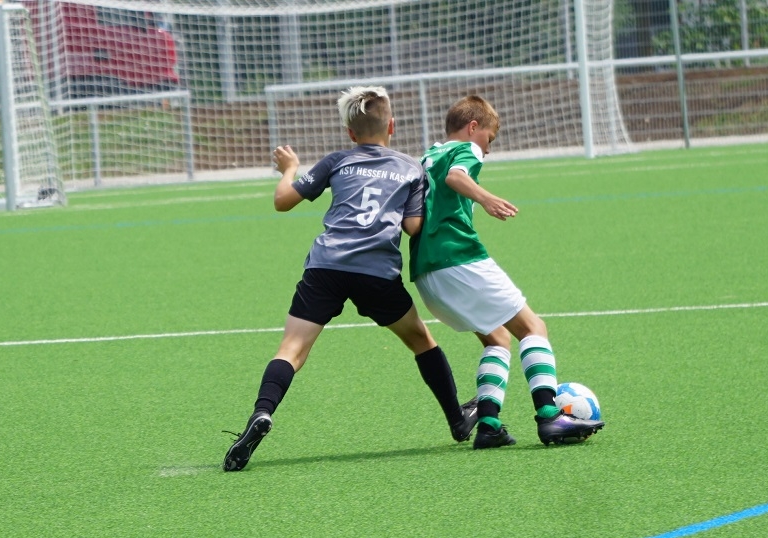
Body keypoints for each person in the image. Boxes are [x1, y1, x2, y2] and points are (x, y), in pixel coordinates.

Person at [223, 86, 477, 472]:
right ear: (392, 125)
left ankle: (261, 413)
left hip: (326, 267)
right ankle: (458, 421)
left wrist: (289, 168)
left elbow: (282, 201)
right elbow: (413, 227)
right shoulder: (411, 168)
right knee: (421, 341)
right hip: (376, 272)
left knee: (291, 349)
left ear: (350, 133)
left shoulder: (337, 161)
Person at [408, 95, 605, 449]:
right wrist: (485, 198)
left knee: (497, 338)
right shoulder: (466, 149)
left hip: (426, 273)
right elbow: (456, 177)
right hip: (458, 258)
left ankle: (488, 425)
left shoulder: (428, 155)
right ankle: (550, 416)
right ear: (473, 128)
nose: (488, 148)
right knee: (533, 327)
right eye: (489, 138)